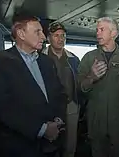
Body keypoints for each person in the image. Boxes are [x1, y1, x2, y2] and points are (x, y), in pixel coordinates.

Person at [0, 12, 67, 157]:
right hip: (18, 146)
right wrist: (41, 129)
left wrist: (58, 120)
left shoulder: (47, 62)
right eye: (37, 32)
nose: (44, 37)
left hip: (51, 145)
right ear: (21, 33)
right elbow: (1, 107)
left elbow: (60, 93)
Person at [77, 17, 119, 157]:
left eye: (102, 30)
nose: (97, 33)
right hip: (96, 118)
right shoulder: (89, 58)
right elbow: (80, 87)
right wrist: (92, 77)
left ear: (114, 34)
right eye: (97, 30)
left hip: (118, 118)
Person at [42, 22, 81, 157]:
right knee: (50, 142)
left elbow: (80, 81)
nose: (60, 39)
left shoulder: (74, 59)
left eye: (63, 36)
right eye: (56, 35)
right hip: (49, 107)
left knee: (71, 141)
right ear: (48, 38)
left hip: (71, 105)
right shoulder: (40, 58)